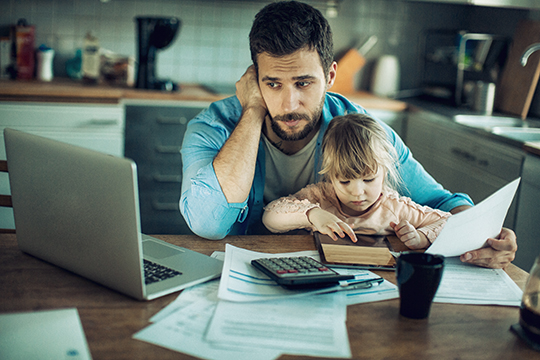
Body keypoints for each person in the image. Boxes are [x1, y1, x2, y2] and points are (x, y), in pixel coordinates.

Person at [180, 0, 517, 268]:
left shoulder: (359, 130)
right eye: (272, 83)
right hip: (237, 274)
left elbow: (443, 203)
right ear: (254, 78)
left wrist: (482, 236)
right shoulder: (215, 125)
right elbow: (207, 222)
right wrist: (253, 111)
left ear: (330, 75)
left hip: (332, 278)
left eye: (303, 83)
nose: (288, 104)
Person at [263, 113, 451, 250]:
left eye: (369, 179)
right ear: (331, 175)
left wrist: (421, 237)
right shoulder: (320, 197)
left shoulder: (396, 208)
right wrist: (313, 214)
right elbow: (270, 217)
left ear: (384, 173)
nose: (357, 192)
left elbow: (449, 222)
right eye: (345, 182)